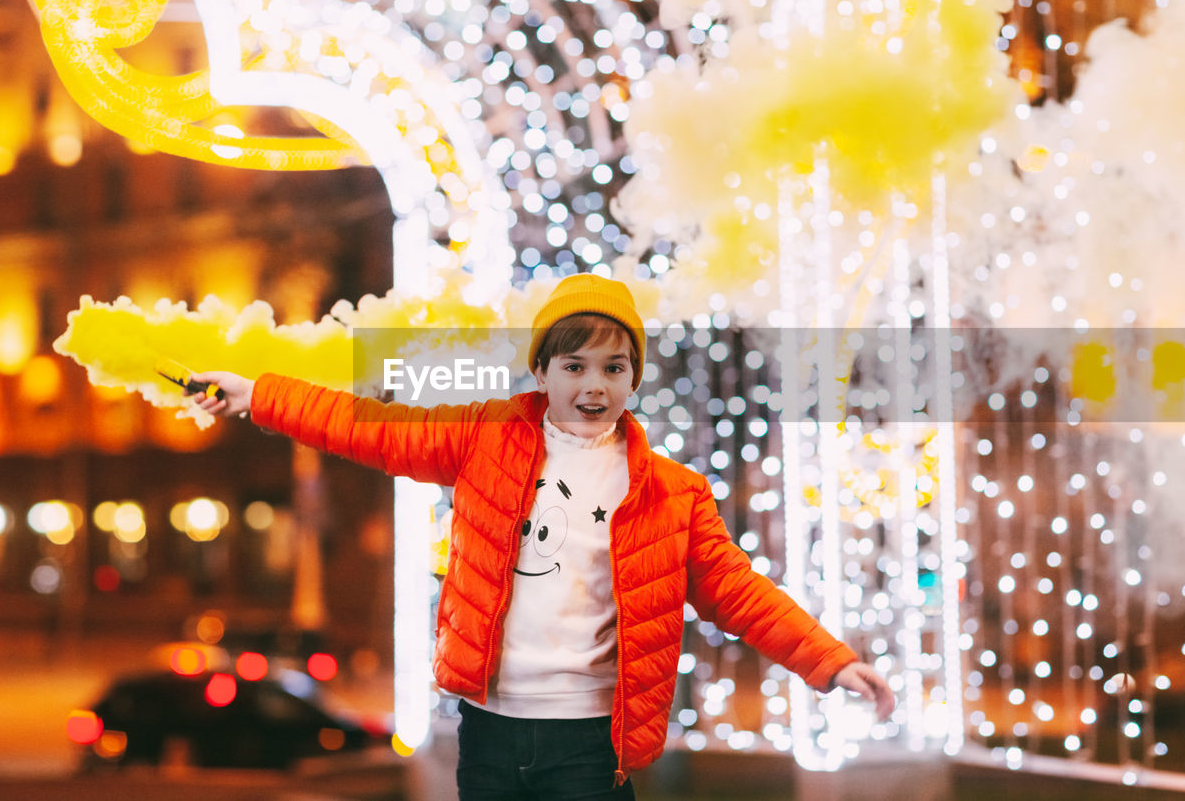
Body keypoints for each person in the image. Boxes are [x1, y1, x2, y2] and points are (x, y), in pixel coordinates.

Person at [192, 273, 895, 800]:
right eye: (575, 365)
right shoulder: (483, 437)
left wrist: (830, 661)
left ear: (633, 378)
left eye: (614, 368)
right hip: (489, 733)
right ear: (542, 371)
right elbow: (369, 426)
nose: (595, 385)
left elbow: (737, 591)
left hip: (590, 744)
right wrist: (258, 393)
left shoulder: (672, 491)